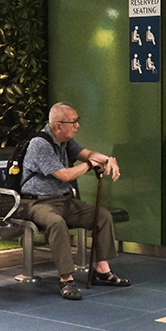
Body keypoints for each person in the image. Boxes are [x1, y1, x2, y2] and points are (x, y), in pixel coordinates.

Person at [17, 102, 130, 300]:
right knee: (56, 222)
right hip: (36, 203)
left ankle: (102, 270)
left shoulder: (65, 141)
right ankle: (66, 279)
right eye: (74, 122)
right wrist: (89, 165)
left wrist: (108, 159)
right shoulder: (40, 144)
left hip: (64, 201)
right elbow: (65, 175)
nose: (77, 125)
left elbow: (89, 154)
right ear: (58, 125)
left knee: (102, 216)